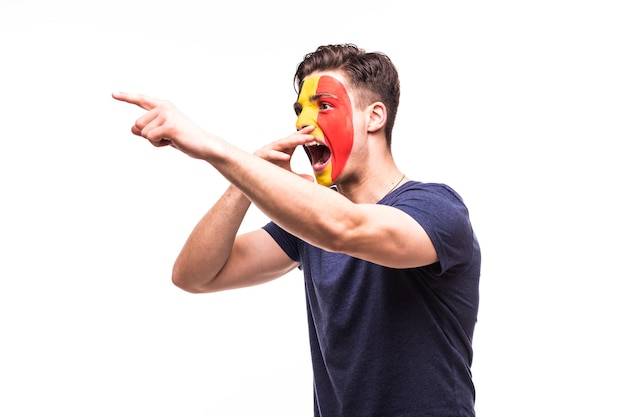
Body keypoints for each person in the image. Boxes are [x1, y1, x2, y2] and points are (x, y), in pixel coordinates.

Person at [113, 43, 481, 417]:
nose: (304, 122)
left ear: (374, 117)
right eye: (300, 110)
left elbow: (345, 228)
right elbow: (194, 274)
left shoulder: (436, 209)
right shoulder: (308, 228)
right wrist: (247, 179)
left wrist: (213, 149)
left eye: (323, 105)